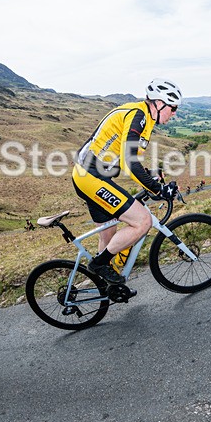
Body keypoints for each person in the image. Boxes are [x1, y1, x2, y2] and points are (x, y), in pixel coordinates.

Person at [71, 78, 182, 285]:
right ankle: (98, 265)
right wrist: (158, 189)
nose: (174, 113)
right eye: (173, 108)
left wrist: (151, 175)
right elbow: (130, 163)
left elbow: (130, 159)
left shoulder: (145, 119)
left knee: (108, 234)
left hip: (90, 176)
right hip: (91, 177)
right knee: (143, 221)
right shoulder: (138, 116)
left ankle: (106, 288)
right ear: (159, 104)